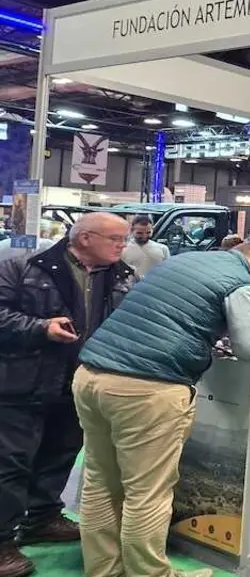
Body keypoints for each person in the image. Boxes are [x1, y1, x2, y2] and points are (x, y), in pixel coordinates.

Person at [72, 243, 250, 577]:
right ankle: (150, 574)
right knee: (148, 491)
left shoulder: (185, 260)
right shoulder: (241, 281)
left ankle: (104, 570)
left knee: (101, 481)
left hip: (91, 374)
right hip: (148, 386)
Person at [0, 213, 134, 577]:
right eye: (116, 239)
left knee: (60, 453)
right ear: (86, 238)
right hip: (22, 382)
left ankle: (42, 518)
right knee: (11, 462)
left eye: (124, 239)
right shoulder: (22, 267)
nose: (124, 246)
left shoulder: (122, 275)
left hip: (80, 382)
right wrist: (41, 328)